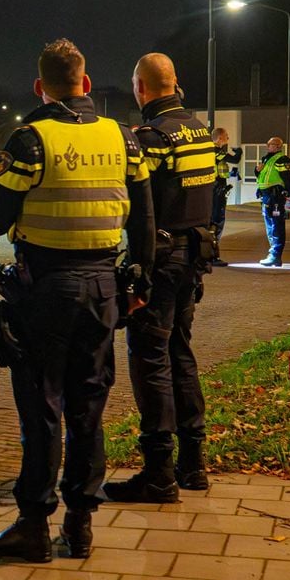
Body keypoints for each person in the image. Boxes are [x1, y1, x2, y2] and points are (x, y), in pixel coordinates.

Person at [0, 39, 154, 561]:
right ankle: (79, 525)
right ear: (86, 83)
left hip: (46, 291)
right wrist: (137, 283)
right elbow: (144, 219)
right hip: (104, 286)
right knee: (88, 406)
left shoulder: (31, 140)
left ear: (40, 87)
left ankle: (33, 525)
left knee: (41, 406)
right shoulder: (124, 138)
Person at [104, 54, 217, 504]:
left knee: (150, 358)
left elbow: (137, 204)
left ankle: (157, 472)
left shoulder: (151, 137)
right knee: (181, 354)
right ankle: (194, 463)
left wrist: (139, 268)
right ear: (176, 83)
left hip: (162, 259)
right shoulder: (200, 131)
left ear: (142, 89)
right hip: (194, 254)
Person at [254, 136, 290, 267]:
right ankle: (273, 254)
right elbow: (263, 176)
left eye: (270, 144)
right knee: (270, 226)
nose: (268, 146)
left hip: (275, 196)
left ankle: (275, 255)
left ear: (277, 146)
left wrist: (287, 192)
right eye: (268, 144)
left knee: (276, 226)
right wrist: (257, 171)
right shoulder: (267, 159)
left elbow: (288, 178)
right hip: (267, 196)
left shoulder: (282, 160)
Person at [210, 128, 242, 266]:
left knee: (211, 221)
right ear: (220, 138)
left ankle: (208, 255)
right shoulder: (217, 152)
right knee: (216, 222)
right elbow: (234, 160)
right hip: (217, 190)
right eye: (226, 137)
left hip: (212, 188)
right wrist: (239, 152)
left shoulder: (208, 151)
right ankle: (212, 256)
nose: (228, 140)